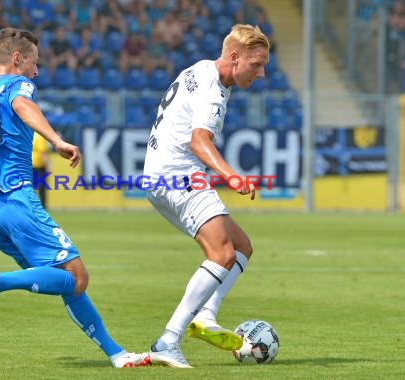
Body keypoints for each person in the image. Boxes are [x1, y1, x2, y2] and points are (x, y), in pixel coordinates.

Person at [0, 27, 150, 369]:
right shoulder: (18, 85)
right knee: (77, 277)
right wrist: (56, 140)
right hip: (16, 199)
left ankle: (117, 355)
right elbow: (23, 105)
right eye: (34, 63)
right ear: (17, 59)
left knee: (64, 280)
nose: (36, 71)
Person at [142, 24, 270, 368]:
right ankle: (168, 339)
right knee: (222, 251)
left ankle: (207, 315)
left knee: (241, 246)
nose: (261, 73)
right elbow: (198, 140)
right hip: (176, 175)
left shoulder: (200, 68)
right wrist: (232, 176)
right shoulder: (214, 91)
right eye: (256, 65)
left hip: (160, 174)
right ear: (234, 57)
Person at [32, 132, 49, 207]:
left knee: (29, 187)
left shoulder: (28, 134)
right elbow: (43, 152)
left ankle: (31, 205)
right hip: (39, 166)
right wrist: (47, 164)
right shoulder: (40, 136)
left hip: (28, 164)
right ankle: (43, 206)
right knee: (42, 187)